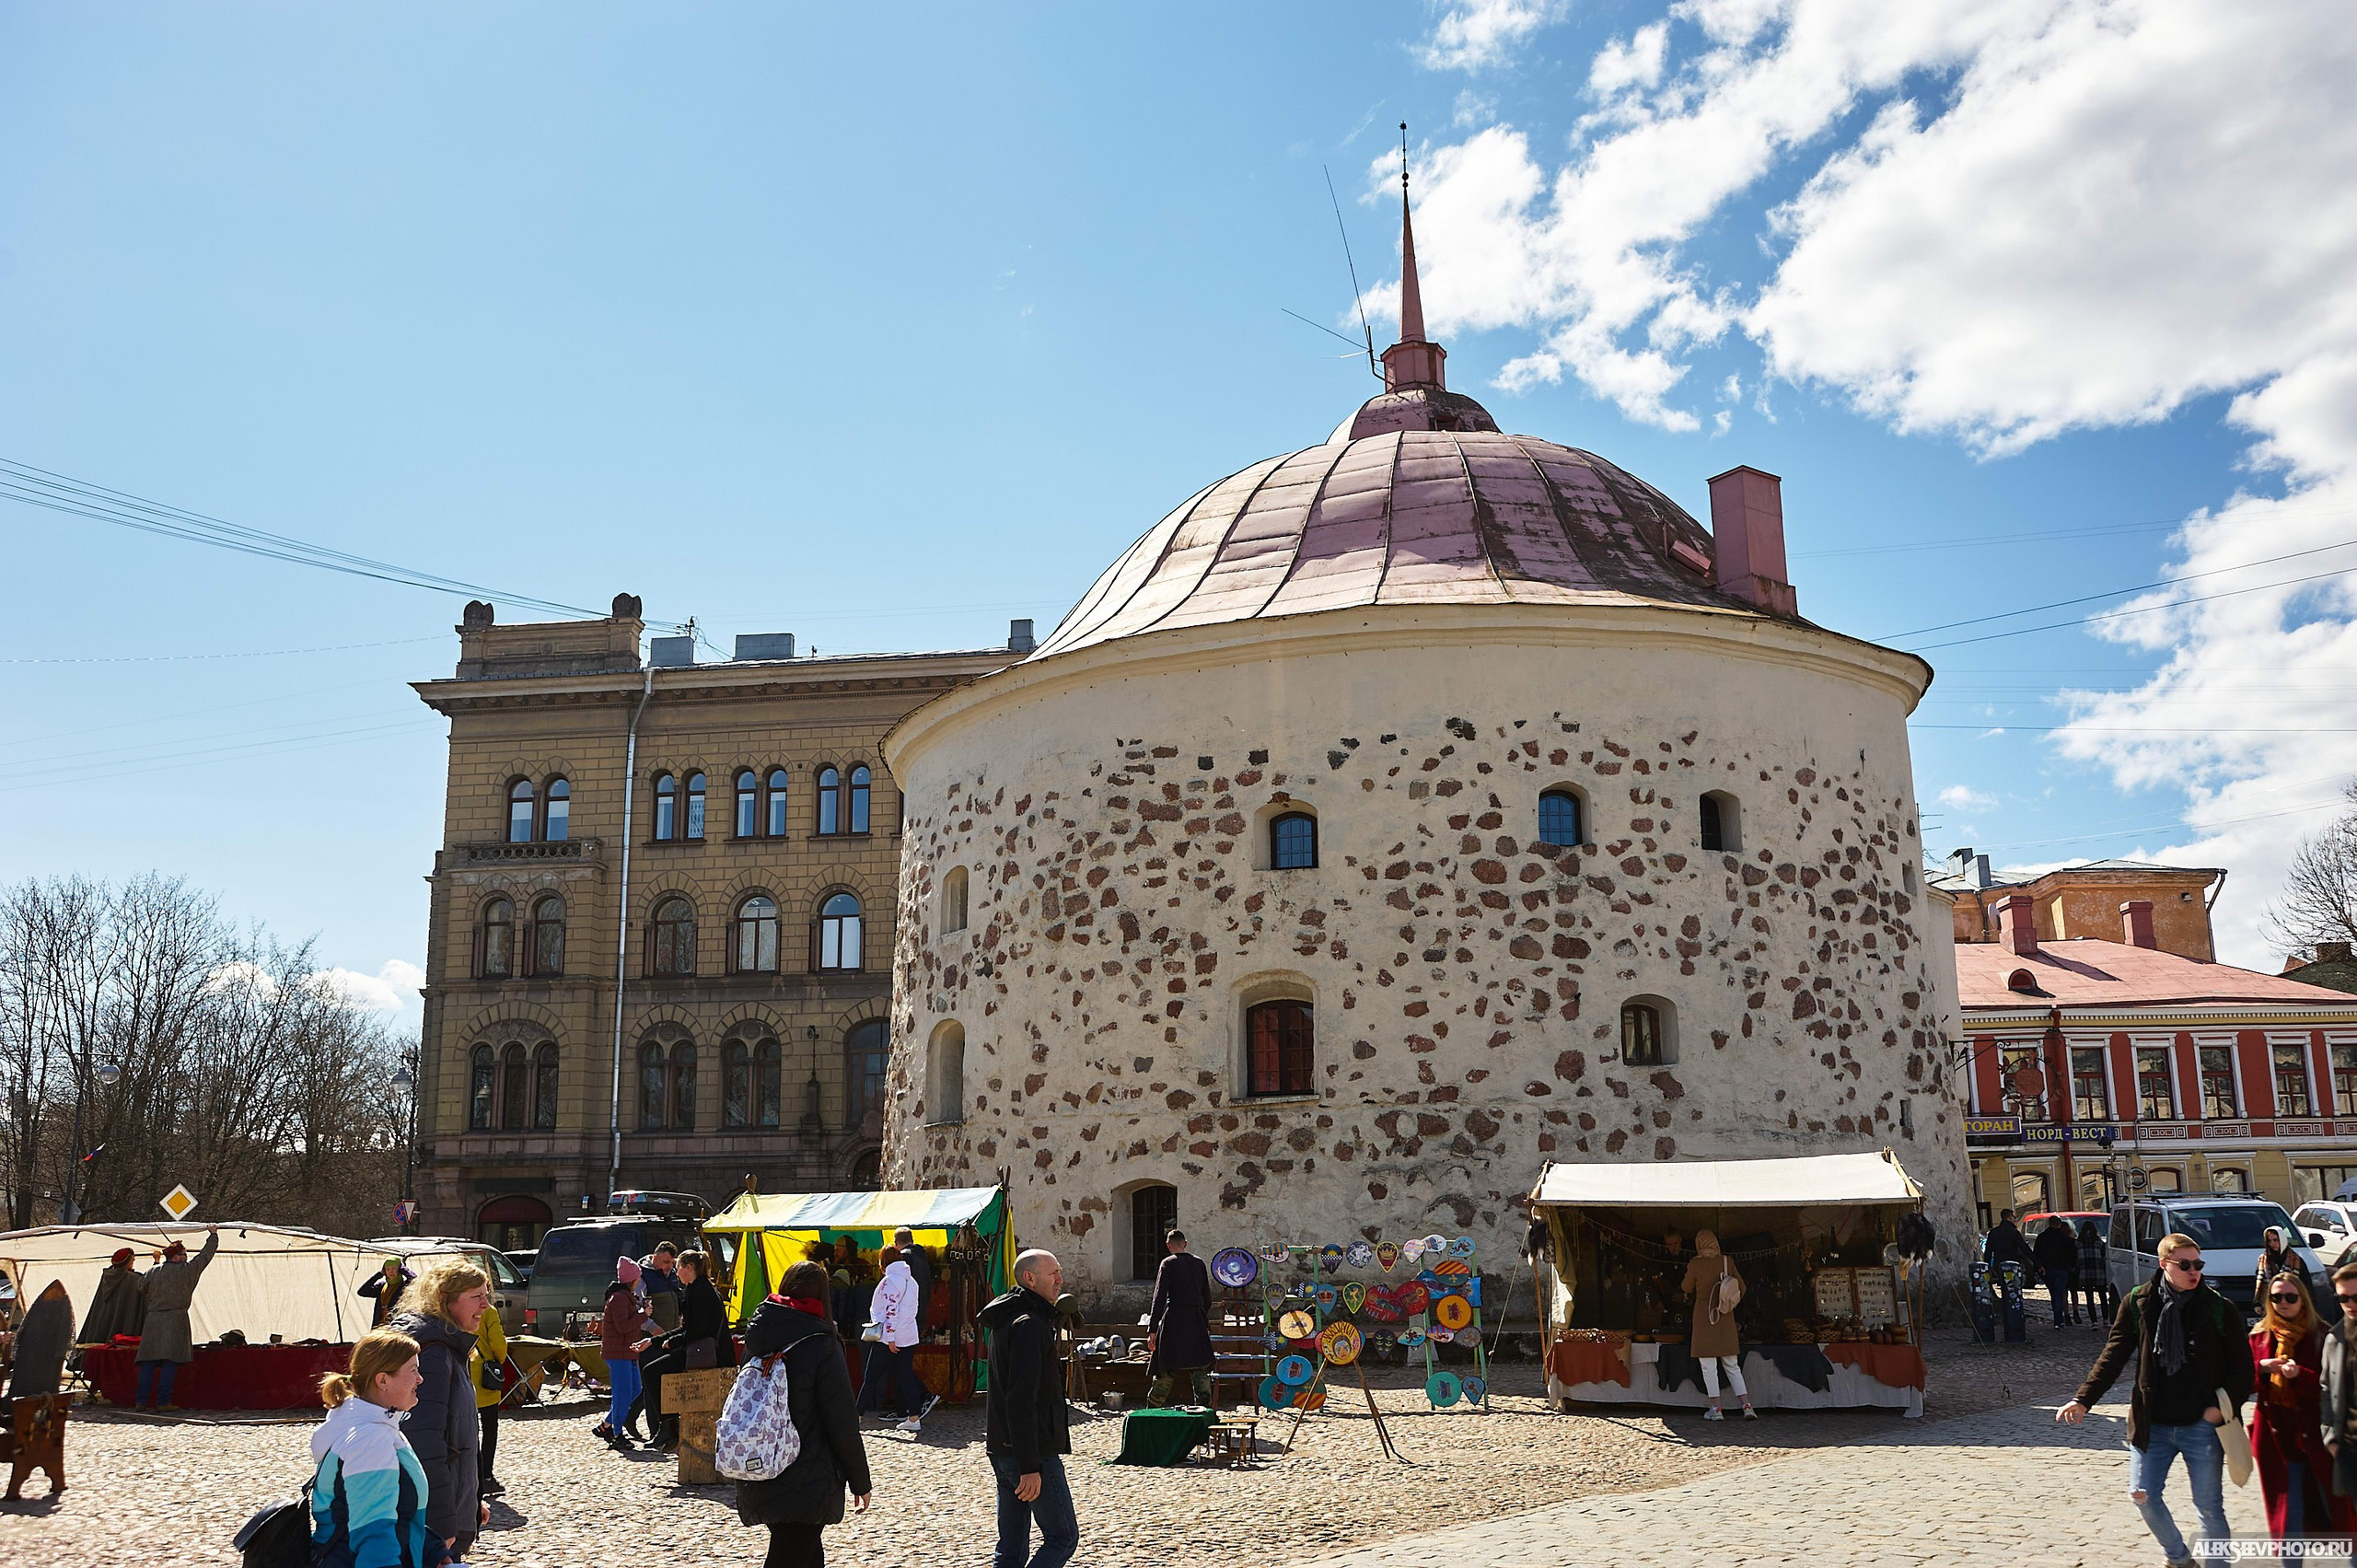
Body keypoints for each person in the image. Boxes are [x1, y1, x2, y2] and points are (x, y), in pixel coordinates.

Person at [2061, 1232, 2254, 1563]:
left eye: (2198, 1264)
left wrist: (2220, 1408)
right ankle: (2179, 1558)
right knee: (2142, 1495)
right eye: (2185, 1265)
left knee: (2209, 1507)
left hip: (2202, 1424)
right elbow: (2114, 1354)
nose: (2194, 1272)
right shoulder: (2138, 1302)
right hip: (2153, 1423)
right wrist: (2084, 1399)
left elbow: (2242, 1369)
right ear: (2164, 1264)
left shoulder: (2219, 1308)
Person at [735, 1259, 873, 1568]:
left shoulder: (759, 1338)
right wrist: (860, 1481)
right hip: (807, 1476)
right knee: (791, 1553)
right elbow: (842, 1422)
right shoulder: (822, 1345)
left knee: (806, 1553)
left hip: (762, 1466)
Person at [308, 1327, 451, 1568]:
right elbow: (373, 1532)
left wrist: (432, 1551)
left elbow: (398, 1513)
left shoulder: (376, 1428)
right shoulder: (370, 1439)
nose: (420, 1379)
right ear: (383, 1380)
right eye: (413, 1371)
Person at [981, 1249, 1077, 1568]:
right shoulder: (1027, 1324)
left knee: (1011, 1550)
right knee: (1062, 1537)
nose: (1060, 1280)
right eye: (1054, 1274)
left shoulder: (1011, 1317)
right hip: (1029, 1452)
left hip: (1005, 1449)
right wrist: (1029, 1466)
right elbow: (1021, 1399)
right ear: (1029, 1279)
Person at [389, 1259, 491, 1561]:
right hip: (432, 1519)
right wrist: (442, 1522)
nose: (486, 1305)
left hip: (444, 1505)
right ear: (445, 1300)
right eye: (476, 1296)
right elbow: (424, 1443)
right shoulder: (433, 1353)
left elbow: (454, 1437)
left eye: (486, 1295)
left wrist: (471, 1499)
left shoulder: (444, 1345)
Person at [2249, 1272, 2352, 1540]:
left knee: (2341, 1508)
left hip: (2316, 1433)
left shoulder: (2323, 1334)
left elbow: (2335, 1386)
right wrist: (2262, 1368)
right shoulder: (2259, 1336)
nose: (2283, 1303)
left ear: (2303, 1300)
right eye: (2276, 1298)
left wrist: (2300, 1375)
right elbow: (2243, 1381)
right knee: (2288, 1511)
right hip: (2276, 1436)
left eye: (2290, 1297)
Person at [638, 1249, 735, 1453]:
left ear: (689, 1268)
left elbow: (696, 1331)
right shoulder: (694, 1289)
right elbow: (687, 1328)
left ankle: (669, 1426)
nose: (676, 1272)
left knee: (652, 1371)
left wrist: (672, 1343)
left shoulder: (702, 1291)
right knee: (653, 1369)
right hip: (698, 1348)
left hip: (711, 1353)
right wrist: (654, 1341)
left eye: (678, 1267)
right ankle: (668, 1424)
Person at [134, 1226, 218, 1410]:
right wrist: (213, 1235)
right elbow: (205, 1256)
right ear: (176, 1257)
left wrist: (156, 1268)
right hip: (176, 1319)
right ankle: (163, 1402)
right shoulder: (187, 1271)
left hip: (153, 1320)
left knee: (149, 1362)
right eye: (184, 1254)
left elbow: (141, 1287)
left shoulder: (153, 1271)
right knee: (169, 1362)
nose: (186, 1257)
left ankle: (141, 1401)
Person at [1680, 1229, 1754, 1421]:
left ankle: (1716, 1409)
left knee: (1708, 1367)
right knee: (1732, 1365)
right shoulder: (1727, 1261)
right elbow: (1742, 1287)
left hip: (1704, 1317)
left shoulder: (1695, 1263)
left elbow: (1686, 1287)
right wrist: (1728, 1302)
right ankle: (1747, 1406)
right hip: (1725, 1315)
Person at [860, 1249, 935, 1434]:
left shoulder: (890, 1281)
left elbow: (891, 1312)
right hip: (908, 1335)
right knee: (905, 1376)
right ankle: (914, 1417)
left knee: (871, 1377)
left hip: (888, 1337)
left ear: (883, 1262)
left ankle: (857, 1415)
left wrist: (891, 1338)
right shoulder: (912, 1281)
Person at [1145, 1228, 1214, 1409]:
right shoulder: (1199, 1263)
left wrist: (1153, 1330)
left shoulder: (1167, 1264)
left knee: (1165, 1369)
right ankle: (1204, 1414)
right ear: (1185, 1244)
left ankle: (1152, 1413)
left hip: (1173, 1321)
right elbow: (1207, 1298)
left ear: (1168, 1246)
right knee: (1200, 1370)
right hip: (1196, 1321)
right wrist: (1199, 1316)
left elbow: (1159, 1298)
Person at [596, 1258, 650, 1449]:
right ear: (632, 1279)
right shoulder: (619, 1298)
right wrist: (643, 1315)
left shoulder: (625, 1297)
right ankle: (617, 1433)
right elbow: (623, 1326)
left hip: (626, 1352)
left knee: (634, 1390)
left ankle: (606, 1425)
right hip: (618, 1352)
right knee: (623, 1394)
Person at [2319, 1262, 2357, 1526]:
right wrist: (2330, 1437)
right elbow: (2326, 1389)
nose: (2350, 1304)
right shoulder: (2335, 1337)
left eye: (2356, 1297)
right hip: (2350, 1447)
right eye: (2343, 1298)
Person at [470, 1295, 510, 1497]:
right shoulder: (488, 1311)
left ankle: (471, 1476)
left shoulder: (455, 1307)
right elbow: (498, 1344)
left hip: (463, 1374)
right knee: (489, 1429)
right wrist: (498, 1359)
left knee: (468, 1431)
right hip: (485, 1377)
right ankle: (486, 1477)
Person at [78, 1249, 145, 1346]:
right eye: (132, 1260)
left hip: (102, 1324)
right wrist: (156, 1262)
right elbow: (149, 1286)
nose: (133, 1262)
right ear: (127, 1262)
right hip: (124, 1326)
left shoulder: (107, 1277)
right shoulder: (133, 1279)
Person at [2034, 1216, 2081, 1329]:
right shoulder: (2065, 1238)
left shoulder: (2042, 1237)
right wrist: (2072, 1266)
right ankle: (2059, 1321)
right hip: (2062, 1269)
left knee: (2054, 1294)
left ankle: (2058, 1318)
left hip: (2047, 1270)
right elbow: (2072, 1254)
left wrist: (2037, 1269)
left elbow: (2036, 1254)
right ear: (2059, 1225)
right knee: (2059, 1294)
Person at [2258, 1227, 2317, 1306]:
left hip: (2292, 1301)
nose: (2272, 1244)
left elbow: (2306, 1283)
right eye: (2269, 1241)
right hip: (2271, 1301)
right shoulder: (2264, 1260)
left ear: (2282, 1240)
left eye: (2275, 1240)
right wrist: (2257, 1304)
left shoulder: (2295, 1260)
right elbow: (2259, 1283)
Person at [2075, 1219, 2114, 1329]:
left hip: (2085, 1273)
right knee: (2103, 1296)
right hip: (2099, 1273)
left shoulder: (2078, 1244)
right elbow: (2104, 1258)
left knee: (2089, 1298)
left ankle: (2094, 1322)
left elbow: (2076, 1260)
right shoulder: (2099, 1243)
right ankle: (2105, 1320)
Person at [894, 1227, 935, 1328]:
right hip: (922, 1303)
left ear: (895, 1242)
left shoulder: (904, 1257)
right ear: (912, 1239)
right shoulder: (922, 1254)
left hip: (908, 1308)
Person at [641, 1242, 684, 1334]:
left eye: (673, 1263)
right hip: (652, 1337)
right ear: (655, 1258)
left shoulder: (673, 1274)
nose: (670, 1267)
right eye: (666, 1262)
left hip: (672, 1335)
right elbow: (637, 1310)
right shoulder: (642, 1275)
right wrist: (653, 1329)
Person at [359, 1259, 415, 1329]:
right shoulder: (381, 1286)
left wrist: (404, 1270)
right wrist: (379, 1274)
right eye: (388, 1269)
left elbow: (415, 1280)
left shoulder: (404, 1286)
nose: (391, 1271)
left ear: (399, 1270)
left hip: (395, 1327)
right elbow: (362, 1291)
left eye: (394, 1268)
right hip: (379, 1327)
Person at [1984, 1209, 2034, 1273]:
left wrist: (1987, 1268)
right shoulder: (2014, 1232)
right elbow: (2024, 1248)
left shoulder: (1993, 1233)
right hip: (2013, 1264)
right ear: (2010, 1218)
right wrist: (2037, 1263)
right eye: (2014, 1217)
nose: (2015, 1220)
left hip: (1999, 1265)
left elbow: (1988, 1252)